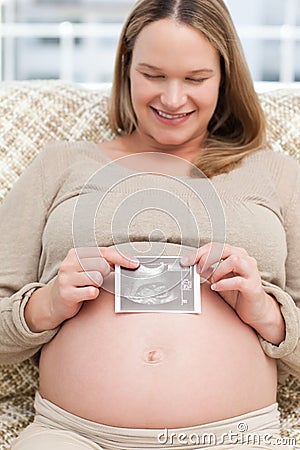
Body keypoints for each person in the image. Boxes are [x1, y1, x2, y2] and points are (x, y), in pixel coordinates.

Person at [0, 0, 299, 448]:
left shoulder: (274, 173)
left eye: (196, 79)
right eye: (153, 75)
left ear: (225, 77)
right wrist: (43, 306)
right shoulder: (59, 165)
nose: (172, 99)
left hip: (233, 438)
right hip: (72, 435)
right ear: (126, 69)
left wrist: (268, 315)